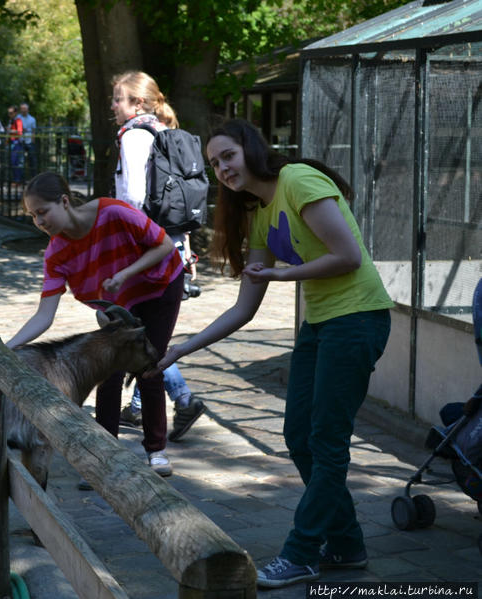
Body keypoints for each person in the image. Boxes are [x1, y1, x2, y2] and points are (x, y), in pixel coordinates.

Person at [152, 118, 393, 588]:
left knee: (325, 439)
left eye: (228, 156)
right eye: (214, 163)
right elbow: (244, 308)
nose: (222, 168)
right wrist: (180, 348)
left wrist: (283, 277)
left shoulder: (298, 181)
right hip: (321, 324)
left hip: (358, 318)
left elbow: (349, 256)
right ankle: (346, 544)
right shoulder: (260, 211)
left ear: (251, 148)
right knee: (298, 434)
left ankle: (302, 552)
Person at [6, 171, 185, 482]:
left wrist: (125, 274)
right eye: (33, 215)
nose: (39, 221)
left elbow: (165, 246)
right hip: (119, 306)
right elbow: (44, 315)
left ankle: (156, 450)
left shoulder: (112, 212)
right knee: (108, 372)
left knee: (148, 366)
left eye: (42, 212)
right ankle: (104, 457)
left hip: (159, 287)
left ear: (64, 201)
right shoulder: (56, 254)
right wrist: (6, 348)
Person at [110, 70, 203, 442]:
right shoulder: (164, 131)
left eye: (118, 99)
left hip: (144, 251)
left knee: (136, 335)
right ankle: (144, 406)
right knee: (148, 332)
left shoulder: (134, 135)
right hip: (172, 246)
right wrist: (186, 249)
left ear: (138, 103)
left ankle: (180, 399)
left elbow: (134, 199)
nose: (113, 106)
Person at [17, 102, 37, 176]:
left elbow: (33, 131)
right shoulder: (17, 118)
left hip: (29, 142)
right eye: (22, 108)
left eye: (24, 108)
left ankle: (33, 177)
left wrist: (33, 142)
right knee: (20, 161)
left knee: (32, 161)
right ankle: (19, 179)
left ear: (27, 109)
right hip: (20, 141)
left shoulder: (32, 119)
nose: (23, 110)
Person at [7, 105, 24, 183]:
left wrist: (10, 130)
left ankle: (18, 180)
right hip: (11, 143)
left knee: (16, 163)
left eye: (11, 113)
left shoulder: (18, 120)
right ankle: (15, 180)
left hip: (17, 144)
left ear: (15, 113)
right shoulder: (11, 120)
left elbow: (19, 132)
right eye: (8, 113)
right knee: (12, 162)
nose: (9, 114)